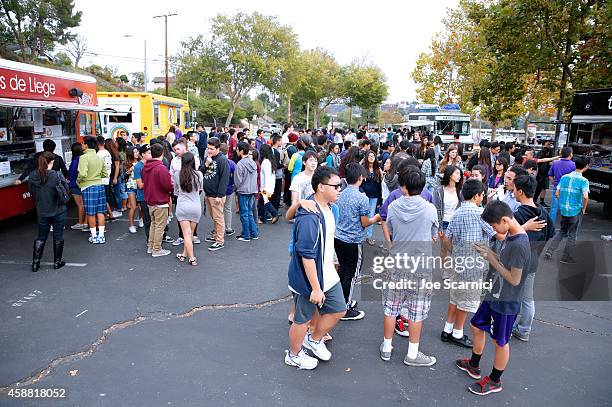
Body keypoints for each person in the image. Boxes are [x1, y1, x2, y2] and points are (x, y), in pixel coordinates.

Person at [457, 200, 530, 396]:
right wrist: (489, 253)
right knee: (476, 325)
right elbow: (504, 262)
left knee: (500, 341)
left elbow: (514, 279)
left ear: (505, 220)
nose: (493, 229)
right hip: (494, 293)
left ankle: (495, 380)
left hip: (506, 301)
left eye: (494, 225)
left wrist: (491, 259)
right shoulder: (511, 235)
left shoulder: (519, 244)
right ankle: (474, 364)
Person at [285, 166, 345, 370]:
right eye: (336, 186)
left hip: (326, 272)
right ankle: (293, 355)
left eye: (340, 185)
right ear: (321, 187)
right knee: (302, 319)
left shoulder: (330, 208)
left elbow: (327, 241)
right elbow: (306, 256)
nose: (339, 189)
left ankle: (314, 339)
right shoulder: (309, 215)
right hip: (308, 278)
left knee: (339, 309)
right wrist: (316, 288)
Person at [380, 166, 439, 366]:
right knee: (417, 310)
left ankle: (387, 347)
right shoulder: (430, 208)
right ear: (422, 187)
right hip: (420, 266)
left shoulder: (394, 206)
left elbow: (390, 229)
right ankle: (412, 354)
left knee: (391, 307)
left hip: (396, 263)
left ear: (403, 186)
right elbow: (433, 236)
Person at [439, 179, 496, 349]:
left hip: (458, 261)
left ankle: (447, 329)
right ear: (477, 196)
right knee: (466, 300)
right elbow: (495, 233)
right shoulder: (481, 213)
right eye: (482, 195)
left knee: (455, 296)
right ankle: (457, 332)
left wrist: (456, 251)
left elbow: (447, 240)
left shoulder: (456, 213)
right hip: (474, 263)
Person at [334, 162, 381, 321]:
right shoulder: (362, 198)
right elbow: (364, 222)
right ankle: (345, 308)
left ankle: (340, 301)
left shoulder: (340, 193)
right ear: (361, 178)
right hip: (353, 241)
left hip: (338, 238)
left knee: (343, 272)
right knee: (351, 274)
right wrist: (376, 218)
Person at [511, 175, 555, 341]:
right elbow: (550, 233)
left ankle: (506, 327)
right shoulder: (542, 211)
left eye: (514, 189)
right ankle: (524, 330)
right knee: (528, 298)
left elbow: (508, 237)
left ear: (520, 191)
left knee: (511, 296)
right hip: (533, 261)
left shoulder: (519, 215)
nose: (513, 191)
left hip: (516, 263)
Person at [28, 151, 69, 271]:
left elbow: (32, 192)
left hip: (42, 210)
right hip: (58, 210)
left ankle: (35, 264)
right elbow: (66, 190)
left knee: (41, 237)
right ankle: (57, 262)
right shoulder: (56, 175)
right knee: (58, 236)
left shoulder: (32, 176)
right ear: (52, 162)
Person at [544, 156, 589, 264]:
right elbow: (586, 196)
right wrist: (583, 209)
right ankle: (566, 257)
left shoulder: (564, 177)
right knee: (572, 234)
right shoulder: (584, 180)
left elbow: (557, 193)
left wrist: (563, 203)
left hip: (564, 210)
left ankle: (550, 251)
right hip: (576, 210)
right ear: (586, 166)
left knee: (562, 231)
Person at [142, 143, 174, 257]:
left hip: (150, 200)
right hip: (160, 201)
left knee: (154, 224)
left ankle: (151, 246)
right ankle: (156, 249)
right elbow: (167, 186)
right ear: (162, 153)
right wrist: (172, 186)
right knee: (160, 226)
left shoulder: (145, 167)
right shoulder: (161, 168)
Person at [201, 137, 230, 251]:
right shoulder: (208, 158)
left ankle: (219, 240)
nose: (209, 151)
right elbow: (200, 172)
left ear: (218, 148)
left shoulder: (222, 160)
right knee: (214, 217)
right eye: (208, 148)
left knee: (218, 218)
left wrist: (219, 195)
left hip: (217, 195)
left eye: (212, 149)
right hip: (208, 194)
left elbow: (224, 179)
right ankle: (216, 236)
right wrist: (206, 164)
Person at [174, 152, 203, 266]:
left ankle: (191, 258)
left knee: (186, 234)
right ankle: (184, 255)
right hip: (195, 206)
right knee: (190, 234)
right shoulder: (199, 174)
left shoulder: (177, 174)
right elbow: (200, 189)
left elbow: (176, 191)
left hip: (182, 206)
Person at [78, 136, 108, 244]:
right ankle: (101, 236)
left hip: (88, 186)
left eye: (82, 143)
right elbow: (105, 173)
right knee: (100, 212)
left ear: (86, 145)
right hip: (100, 185)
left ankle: (94, 236)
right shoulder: (99, 157)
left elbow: (82, 173)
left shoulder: (84, 157)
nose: (81, 145)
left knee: (91, 213)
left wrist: (78, 181)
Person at [171, 140, 201, 246]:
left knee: (190, 215)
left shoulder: (194, 159)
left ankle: (194, 235)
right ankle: (181, 236)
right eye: (174, 150)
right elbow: (172, 176)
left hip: (192, 191)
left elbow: (197, 177)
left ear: (184, 147)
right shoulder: (174, 161)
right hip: (180, 193)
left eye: (178, 149)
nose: (176, 152)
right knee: (182, 216)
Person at [234, 142, 260, 242]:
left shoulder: (240, 164)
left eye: (237, 149)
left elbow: (238, 180)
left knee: (244, 214)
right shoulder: (253, 162)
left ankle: (246, 235)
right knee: (249, 213)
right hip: (252, 190)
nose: (236, 151)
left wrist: (236, 188)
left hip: (243, 191)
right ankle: (254, 233)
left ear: (241, 151)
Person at [548, 146, 576, 223]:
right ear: (570, 155)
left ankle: (551, 226)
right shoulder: (573, 165)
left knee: (554, 208)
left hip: (557, 188)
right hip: (569, 189)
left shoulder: (555, 163)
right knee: (568, 208)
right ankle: (567, 226)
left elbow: (550, 175)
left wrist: (554, 182)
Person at [360, 150, 383, 245]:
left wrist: (379, 198)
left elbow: (380, 185)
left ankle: (368, 236)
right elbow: (359, 183)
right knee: (362, 215)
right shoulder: (362, 169)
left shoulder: (378, 169)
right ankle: (360, 235)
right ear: (366, 157)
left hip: (374, 196)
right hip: (364, 196)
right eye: (369, 155)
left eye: (373, 156)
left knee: (371, 216)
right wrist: (362, 192)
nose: (371, 157)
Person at [432, 165, 464, 232]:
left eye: (460, 174)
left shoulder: (461, 191)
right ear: (450, 174)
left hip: (457, 224)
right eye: (457, 173)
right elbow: (437, 209)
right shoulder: (438, 191)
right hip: (443, 223)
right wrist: (439, 227)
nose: (459, 176)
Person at [134, 145, 151, 244]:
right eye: (148, 153)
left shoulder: (152, 163)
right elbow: (140, 185)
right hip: (143, 196)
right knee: (147, 219)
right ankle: (149, 238)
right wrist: (152, 182)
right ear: (143, 155)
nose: (151, 155)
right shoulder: (138, 166)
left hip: (153, 195)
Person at [67, 142, 87, 230]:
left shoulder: (75, 161)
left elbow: (71, 174)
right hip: (85, 184)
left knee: (80, 205)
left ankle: (80, 222)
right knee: (86, 204)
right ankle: (86, 222)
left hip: (75, 185)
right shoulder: (84, 159)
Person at [259, 144, 280, 224]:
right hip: (270, 186)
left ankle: (274, 214)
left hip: (266, 187)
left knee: (265, 201)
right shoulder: (270, 161)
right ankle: (264, 218)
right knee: (263, 202)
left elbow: (266, 177)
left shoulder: (265, 162)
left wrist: (265, 190)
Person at [220, 143, 236, 236]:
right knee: (228, 208)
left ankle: (218, 228)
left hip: (218, 190)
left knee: (218, 210)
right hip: (229, 189)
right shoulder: (231, 163)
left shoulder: (216, 162)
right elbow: (235, 176)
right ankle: (228, 227)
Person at [124, 147, 141, 233]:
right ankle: (131, 225)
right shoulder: (128, 163)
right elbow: (125, 175)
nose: (137, 153)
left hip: (140, 186)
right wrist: (128, 171)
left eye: (137, 151)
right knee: (133, 206)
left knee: (141, 206)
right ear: (131, 154)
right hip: (131, 186)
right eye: (135, 152)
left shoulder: (141, 162)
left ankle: (141, 219)